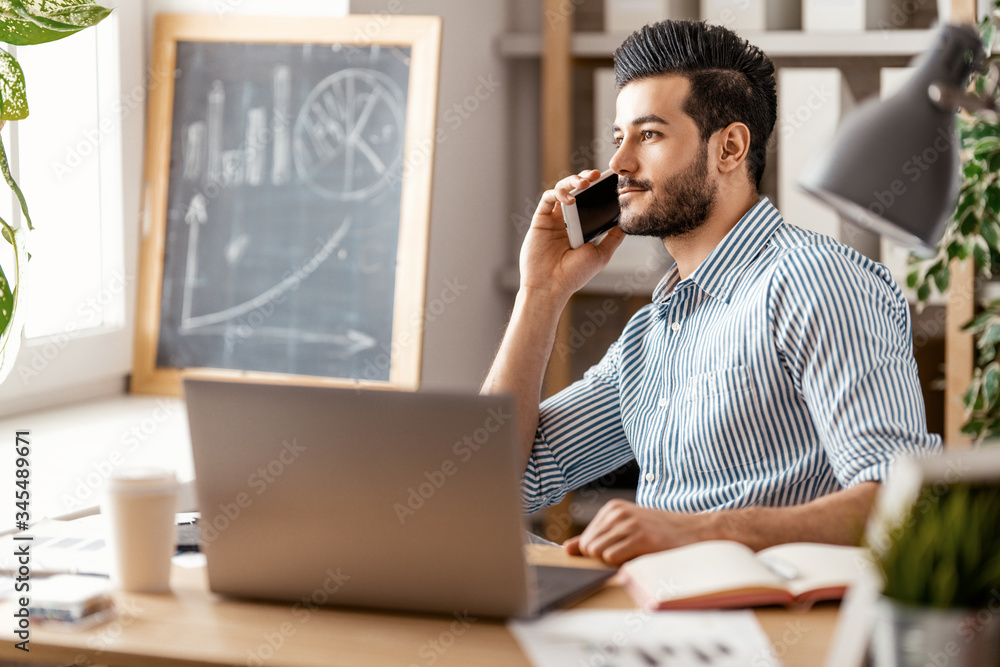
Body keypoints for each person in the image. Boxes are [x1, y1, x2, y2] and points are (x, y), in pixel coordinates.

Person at [481, 19, 941, 566]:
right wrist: (540, 291)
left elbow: (900, 501)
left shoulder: (816, 281)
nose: (620, 164)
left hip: (768, 631)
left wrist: (699, 532)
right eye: (617, 139)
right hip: (658, 624)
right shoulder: (650, 337)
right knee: (463, 547)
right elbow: (492, 484)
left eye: (648, 134)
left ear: (729, 148)